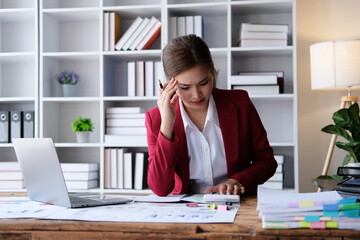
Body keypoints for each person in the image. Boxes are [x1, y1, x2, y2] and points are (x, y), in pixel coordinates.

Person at [145, 34, 277, 196]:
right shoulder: (156, 119)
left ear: (212, 72)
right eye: (185, 87)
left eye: (203, 83)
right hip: (185, 212)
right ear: (168, 85)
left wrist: (239, 180)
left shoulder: (240, 103)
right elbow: (160, 188)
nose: (196, 95)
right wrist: (167, 125)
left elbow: (267, 162)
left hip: (236, 204)